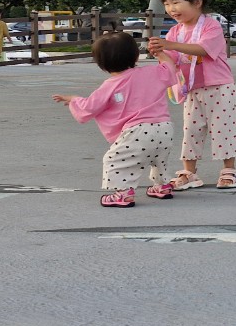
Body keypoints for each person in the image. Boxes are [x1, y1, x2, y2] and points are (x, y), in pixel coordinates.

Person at [53, 32, 183, 208]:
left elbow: (89, 107)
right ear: (135, 56)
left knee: (115, 160)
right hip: (164, 127)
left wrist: (74, 100)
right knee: (158, 159)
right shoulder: (152, 72)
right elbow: (170, 67)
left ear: (101, 63)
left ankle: (123, 194)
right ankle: (162, 186)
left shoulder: (111, 85)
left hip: (137, 131)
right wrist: (160, 53)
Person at [147, 0, 236, 190]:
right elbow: (171, 62)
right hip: (192, 89)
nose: (171, 9)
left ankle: (229, 170)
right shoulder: (175, 32)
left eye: (176, 2)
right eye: (167, 4)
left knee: (224, 129)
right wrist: (160, 53)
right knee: (191, 131)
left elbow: (203, 49)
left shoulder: (211, 26)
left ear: (197, 2)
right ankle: (189, 172)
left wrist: (170, 45)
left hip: (219, 87)